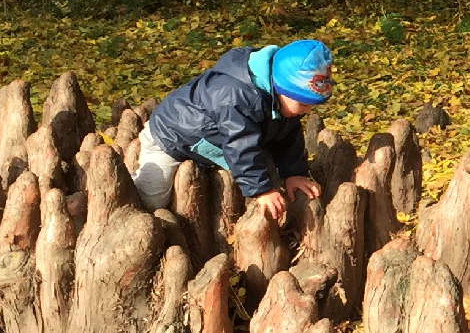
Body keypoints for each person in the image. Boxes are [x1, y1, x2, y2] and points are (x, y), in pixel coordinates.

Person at [131, 39, 335, 223]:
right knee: (152, 199)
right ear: (281, 88)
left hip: (211, 141)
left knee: (268, 173)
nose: (307, 110)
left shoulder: (278, 99)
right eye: (303, 103)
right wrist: (261, 191)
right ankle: (133, 197)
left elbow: (288, 136)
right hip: (171, 138)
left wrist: (293, 173)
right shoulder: (237, 98)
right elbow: (240, 146)